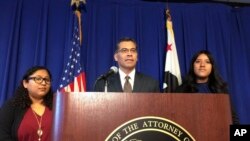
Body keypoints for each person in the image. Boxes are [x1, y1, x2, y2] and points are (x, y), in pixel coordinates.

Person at [174, 50, 239, 124]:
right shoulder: (181, 90)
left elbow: (233, 118)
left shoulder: (221, 90)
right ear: (193, 66)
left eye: (207, 62)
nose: (202, 65)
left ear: (212, 67)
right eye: (198, 61)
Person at [0, 66, 54, 141]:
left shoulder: (57, 106)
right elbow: (2, 136)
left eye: (47, 80)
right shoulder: (11, 106)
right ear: (25, 83)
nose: (43, 83)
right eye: (38, 79)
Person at [94, 37, 160, 92]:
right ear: (116, 57)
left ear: (137, 57)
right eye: (124, 50)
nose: (129, 54)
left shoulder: (151, 83)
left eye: (133, 50)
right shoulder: (103, 83)